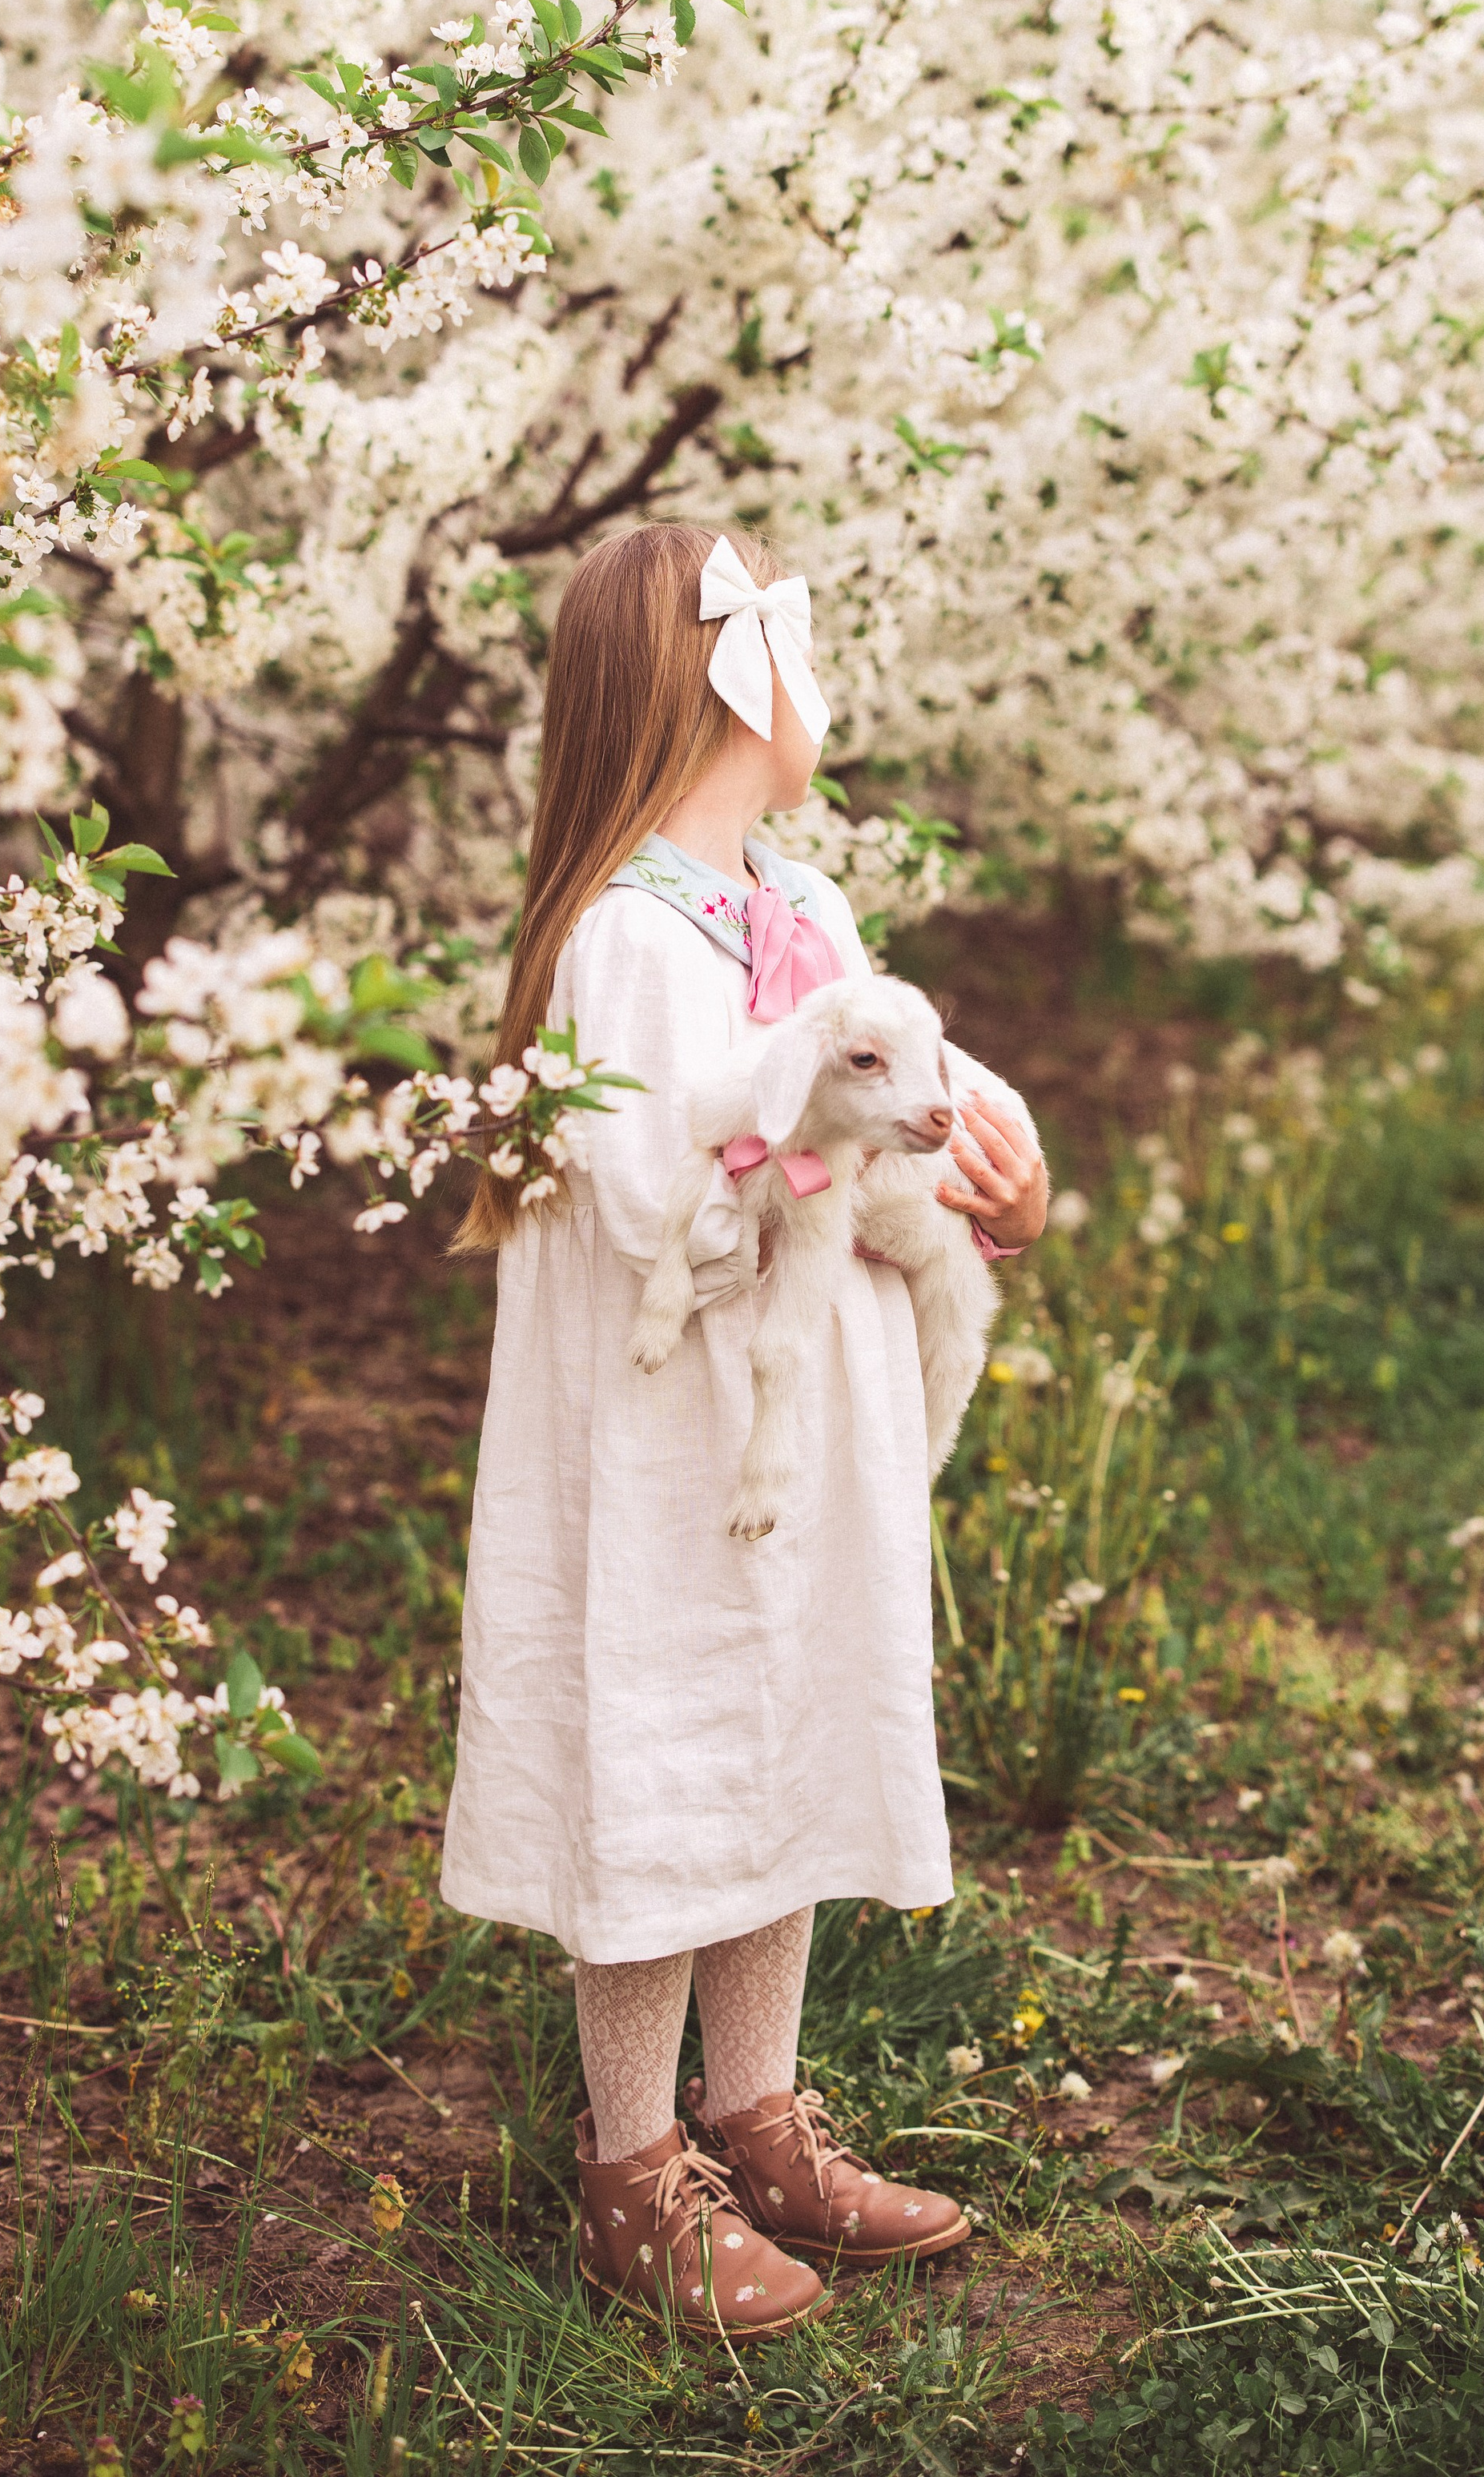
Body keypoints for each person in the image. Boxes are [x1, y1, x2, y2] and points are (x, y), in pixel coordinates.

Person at [444, 522, 1048, 2337]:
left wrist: (978, 1184)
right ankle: (632, 2164)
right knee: (663, 1743)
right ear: (730, 677)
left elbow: (886, 1111)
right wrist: (846, 1131)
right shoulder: (625, 936)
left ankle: (755, 2112)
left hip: (793, 1430)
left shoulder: (798, 902)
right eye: (791, 634)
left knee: (774, 1741)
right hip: (666, 1442)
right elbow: (651, 1191)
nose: (819, 668)